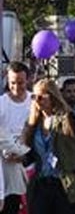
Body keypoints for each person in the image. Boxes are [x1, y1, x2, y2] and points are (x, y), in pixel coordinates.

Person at [21, 79, 75, 214]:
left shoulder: (67, 119)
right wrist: (18, 156)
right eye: (34, 97)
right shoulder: (33, 124)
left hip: (66, 182)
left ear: (52, 96)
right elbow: (31, 155)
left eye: (41, 96)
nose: (37, 100)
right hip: (42, 182)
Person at [0, 62, 31, 214]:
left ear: (28, 80)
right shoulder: (2, 103)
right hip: (7, 167)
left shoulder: (34, 102)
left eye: (20, 82)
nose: (16, 87)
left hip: (30, 164)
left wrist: (25, 154)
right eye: (13, 83)